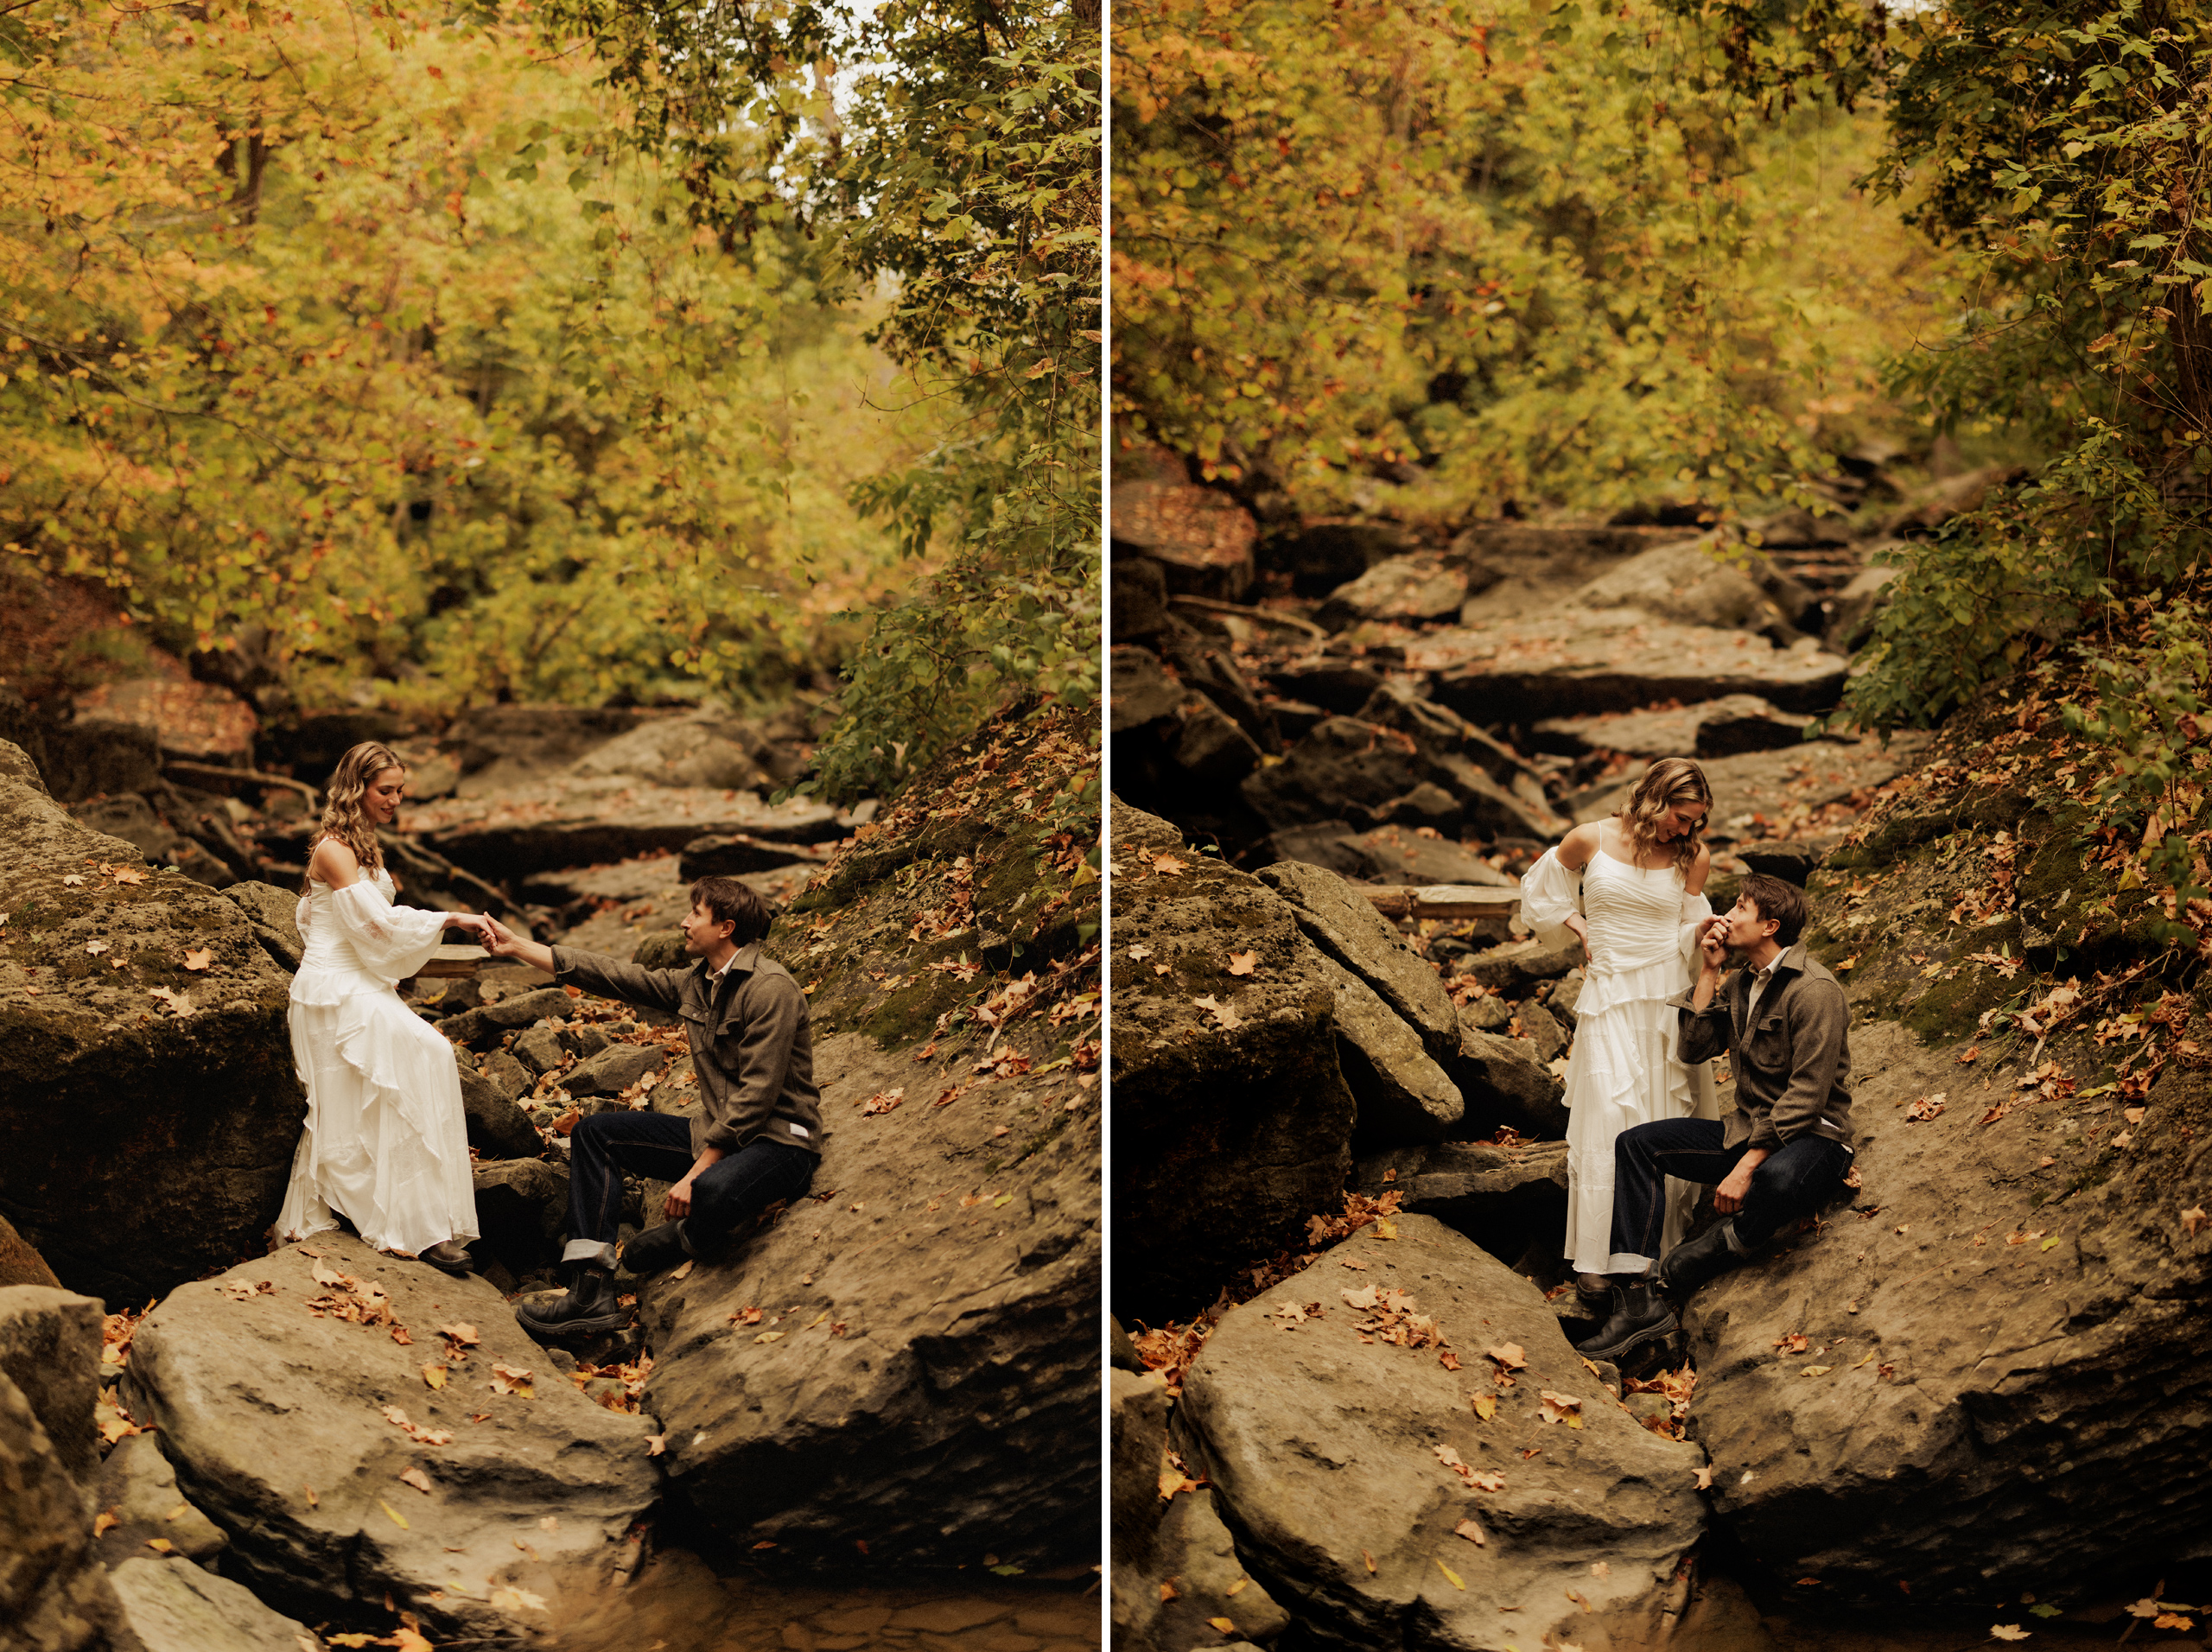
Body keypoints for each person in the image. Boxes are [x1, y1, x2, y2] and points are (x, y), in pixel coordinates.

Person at [480, 875, 823, 1342]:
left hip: (780, 1141)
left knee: (713, 1191)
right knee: (595, 1134)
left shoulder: (770, 990)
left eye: (694, 914)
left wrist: (696, 1172)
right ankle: (590, 1292)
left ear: (725, 927)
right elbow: (613, 975)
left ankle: (688, 1237)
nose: (684, 922)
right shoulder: (697, 983)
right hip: (719, 1136)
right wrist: (518, 945)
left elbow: (757, 1096)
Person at [1575, 873, 1856, 1363]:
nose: (1727, 915)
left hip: (1815, 1136)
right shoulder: (1743, 983)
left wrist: (1743, 1168)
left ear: (1770, 926)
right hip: (1749, 1130)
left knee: (1776, 1179)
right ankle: (1638, 1296)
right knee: (1636, 1144)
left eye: (1741, 908)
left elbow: (1808, 1097)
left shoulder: (1816, 991)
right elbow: (1693, 1048)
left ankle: (1719, 1247)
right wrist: (1709, 972)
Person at [276, 741, 493, 1274]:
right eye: (386, 790)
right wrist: (452, 919)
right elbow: (376, 927)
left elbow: (359, 927)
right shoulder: (333, 849)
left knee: (427, 1058)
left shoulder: (363, 844)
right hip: (333, 991)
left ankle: (422, 1218)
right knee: (398, 1072)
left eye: (400, 790)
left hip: (359, 985)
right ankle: (406, 1225)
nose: (396, 799)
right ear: (357, 789)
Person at [1520, 757, 1719, 1303]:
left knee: (1657, 1119)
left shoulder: (1691, 856)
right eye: (1680, 816)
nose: (1686, 829)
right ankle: (1596, 1256)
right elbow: (1541, 894)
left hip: (1661, 997)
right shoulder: (1589, 839)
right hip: (1608, 996)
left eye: (1694, 820)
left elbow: (1686, 932)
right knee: (1607, 1117)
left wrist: (1705, 937)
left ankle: (1648, 1252)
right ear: (1654, 800)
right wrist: (1577, 922)